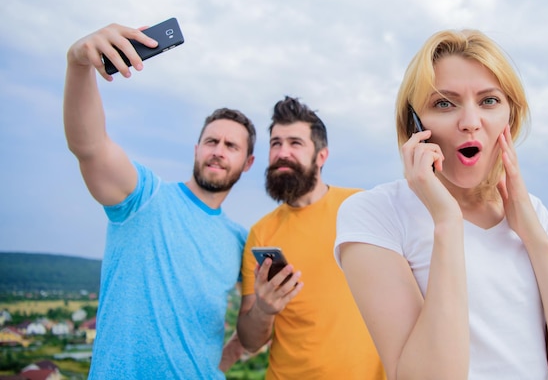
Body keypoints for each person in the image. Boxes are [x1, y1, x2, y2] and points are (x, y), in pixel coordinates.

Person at [334, 29, 548, 380]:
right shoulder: (374, 214)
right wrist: (447, 222)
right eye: (443, 103)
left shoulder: (531, 212)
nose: (470, 122)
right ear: (414, 125)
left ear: (510, 117)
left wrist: (535, 238)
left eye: (489, 101)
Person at [63, 22, 256, 379]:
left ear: (248, 163)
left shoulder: (240, 240)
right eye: (212, 142)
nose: (218, 151)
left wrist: (215, 367)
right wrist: (77, 64)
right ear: (197, 149)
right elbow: (89, 146)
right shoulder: (144, 198)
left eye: (231, 146)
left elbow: (251, 332)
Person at [236, 96, 385, 379]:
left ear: (321, 155)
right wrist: (264, 310)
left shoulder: (361, 207)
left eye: (295, 143)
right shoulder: (261, 233)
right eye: (276, 143)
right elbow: (249, 341)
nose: (282, 153)